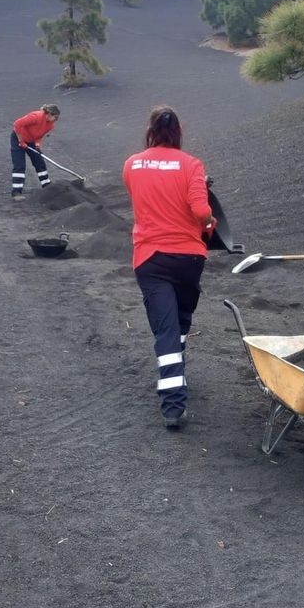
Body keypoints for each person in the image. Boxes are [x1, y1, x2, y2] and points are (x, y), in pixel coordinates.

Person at [123, 106, 217, 430]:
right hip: (189, 257)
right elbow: (201, 211)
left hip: (150, 258)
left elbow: (143, 200)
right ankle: (175, 379)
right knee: (180, 322)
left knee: (166, 329)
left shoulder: (132, 164)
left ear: (150, 130)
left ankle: (173, 406)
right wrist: (209, 221)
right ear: (178, 131)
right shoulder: (191, 164)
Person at [10, 104, 60, 200]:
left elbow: (39, 135)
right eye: (55, 117)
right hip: (17, 138)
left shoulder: (50, 125)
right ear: (49, 114)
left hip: (31, 141)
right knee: (19, 165)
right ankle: (16, 192)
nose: (56, 120)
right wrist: (21, 140)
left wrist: (37, 143)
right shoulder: (36, 116)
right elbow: (17, 124)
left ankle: (46, 185)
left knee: (39, 162)